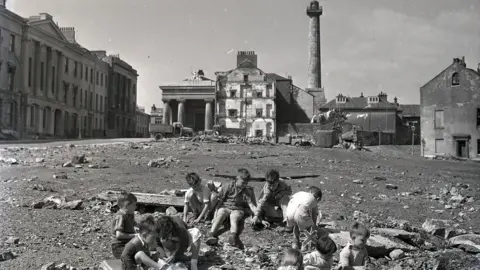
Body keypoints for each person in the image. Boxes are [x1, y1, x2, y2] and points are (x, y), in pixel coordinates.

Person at [206, 168, 257, 248]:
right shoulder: (227, 186)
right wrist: (216, 212)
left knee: (234, 218)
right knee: (220, 214)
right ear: (237, 179)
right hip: (225, 206)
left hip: (238, 209)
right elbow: (220, 200)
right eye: (243, 182)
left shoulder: (246, 191)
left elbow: (251, 205)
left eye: (246, 183)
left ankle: (233, 236)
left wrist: (256, 214)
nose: (245, 185)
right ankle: (211, 233)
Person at [111, 191, 138, 258]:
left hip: (127, 244)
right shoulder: (121, 216)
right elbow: (119, 235)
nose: (136, 207)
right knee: (139, 254)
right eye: (134, 205)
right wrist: (135, 235)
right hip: (119, 247)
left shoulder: (130, 214)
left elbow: (135, 224)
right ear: (127, 205)